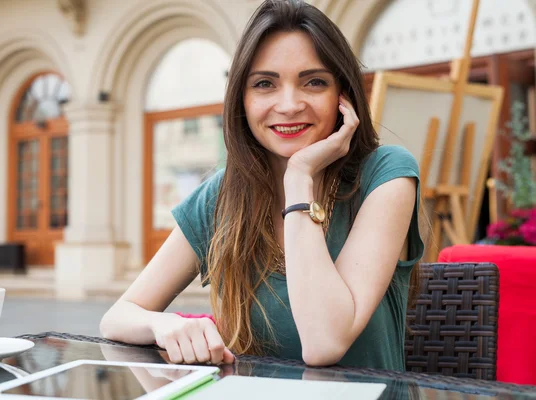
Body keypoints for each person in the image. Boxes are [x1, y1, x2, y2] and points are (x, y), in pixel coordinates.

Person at [100, 0, 424, 371]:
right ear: (243, 99)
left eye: (314, 82)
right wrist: (163, 324)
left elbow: (324, 342)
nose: (288, 105)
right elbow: (117, 317)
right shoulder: (223, 195)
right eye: (265, 84)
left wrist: (300, 176)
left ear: (343, 95)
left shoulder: (386, 174)